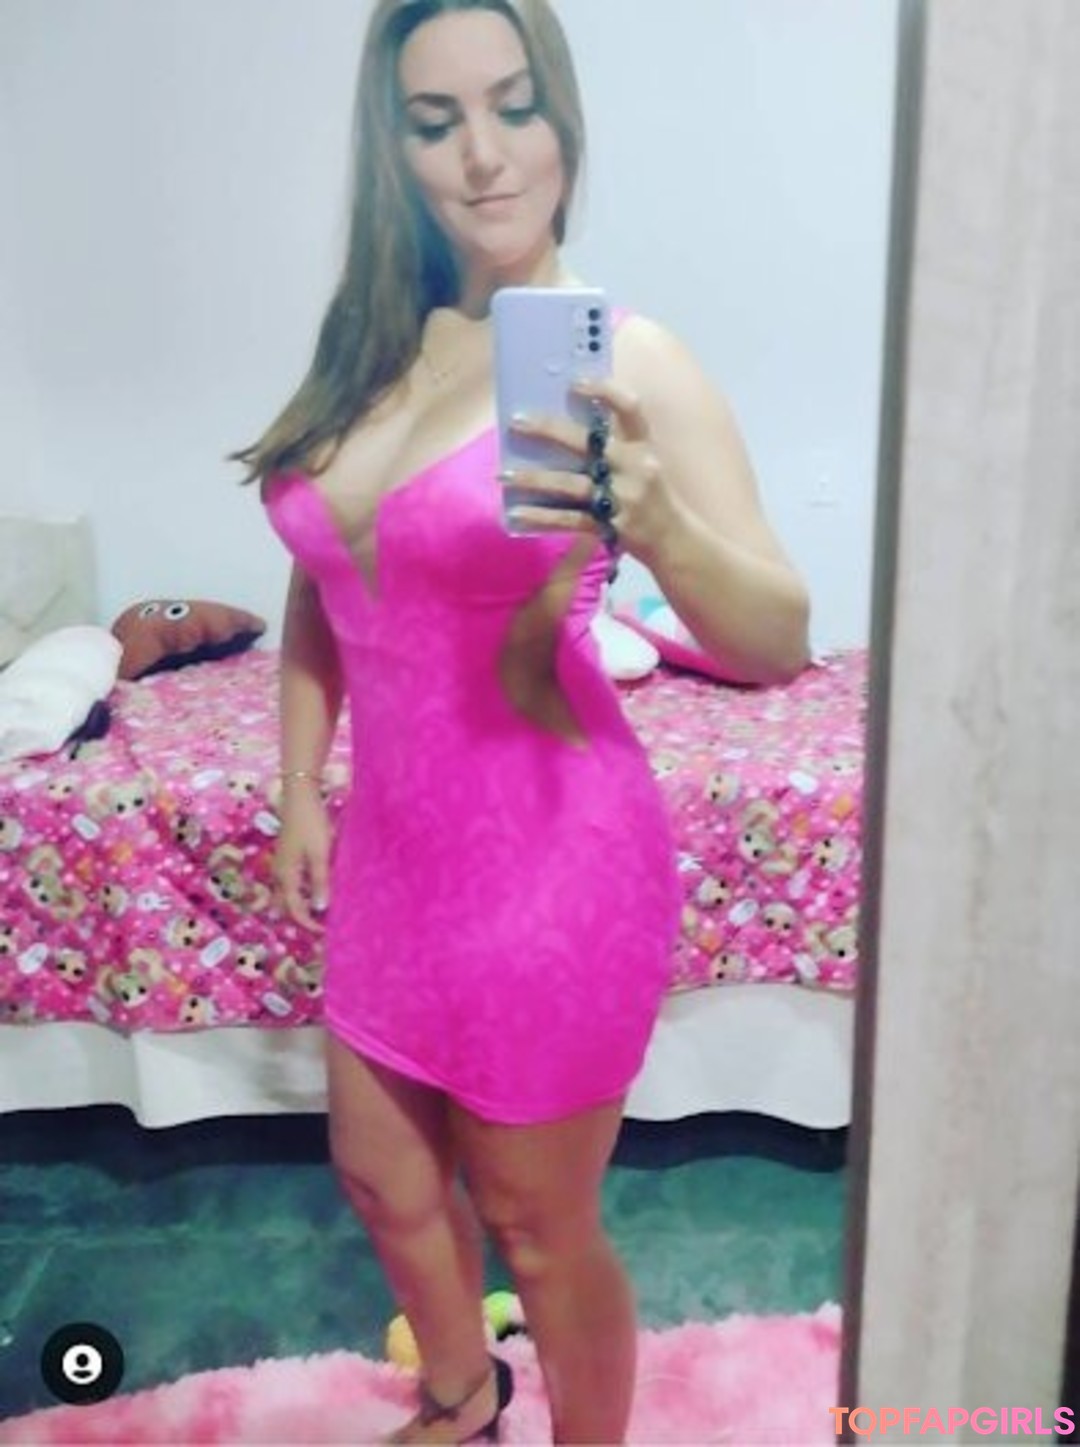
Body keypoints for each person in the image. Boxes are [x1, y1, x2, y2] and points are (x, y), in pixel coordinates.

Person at [233, 1, 810, 1440]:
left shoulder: (632, 363)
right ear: (393, 148)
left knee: (539, 1230)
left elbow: (778, 636)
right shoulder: (369, 345)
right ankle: (460, 1395)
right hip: (394, 856)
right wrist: (301, 784)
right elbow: (323, 577)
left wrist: (658, 520)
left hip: (553, 856)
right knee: (380, 1175)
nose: (485, 156)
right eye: (436, 123)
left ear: (564, 120)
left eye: (515, 105)